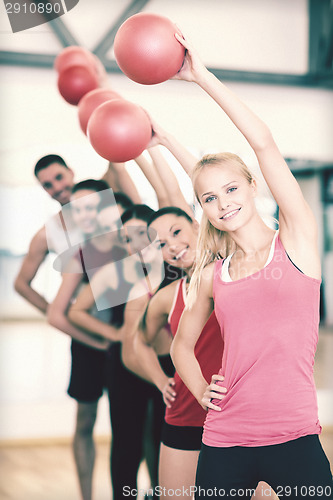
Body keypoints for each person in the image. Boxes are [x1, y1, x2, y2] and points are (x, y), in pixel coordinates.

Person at [169, 33, 333, 499]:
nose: (223, 203)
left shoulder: (297, 241)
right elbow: (182, 345)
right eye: (209, 197)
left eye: (231, 189)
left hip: (296, 436)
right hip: (224, 439)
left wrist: (200, 77)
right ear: (202, 208)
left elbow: (262, 142)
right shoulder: (212, 275)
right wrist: (201, 390)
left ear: (252, 186)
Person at [68, 203, 180, 499]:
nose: (134, 244)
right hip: (127, 368)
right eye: (127, 239)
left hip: (169, 368)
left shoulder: (175, 268)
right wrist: (114, 334)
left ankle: (160, 493)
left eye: (141, 235)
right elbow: (77, 311)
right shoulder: (118, 272)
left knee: (162, 441)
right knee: (126, 445)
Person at [127, 206, 223, 499]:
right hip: (184, 413)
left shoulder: (232, 276)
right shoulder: (167, 296)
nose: (173, 246)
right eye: (161, 245)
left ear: (197, 226)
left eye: (177, 232)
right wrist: (159, 380)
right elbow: (139, 341)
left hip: (233, 412)